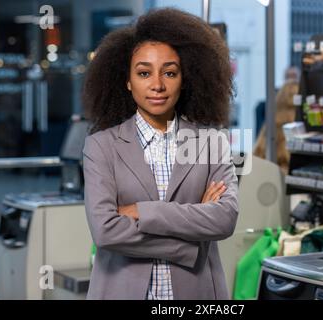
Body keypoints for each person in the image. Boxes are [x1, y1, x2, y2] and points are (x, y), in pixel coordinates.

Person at [81, 8, 239, 300]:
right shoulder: (100, 146)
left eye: (169, 72)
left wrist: (143, 211)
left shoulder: (211, 142)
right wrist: (191, 244)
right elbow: (105, 230)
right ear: (127, 81)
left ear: (185, 78)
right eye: (144, 73)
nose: (157, 85)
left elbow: (224, 219)